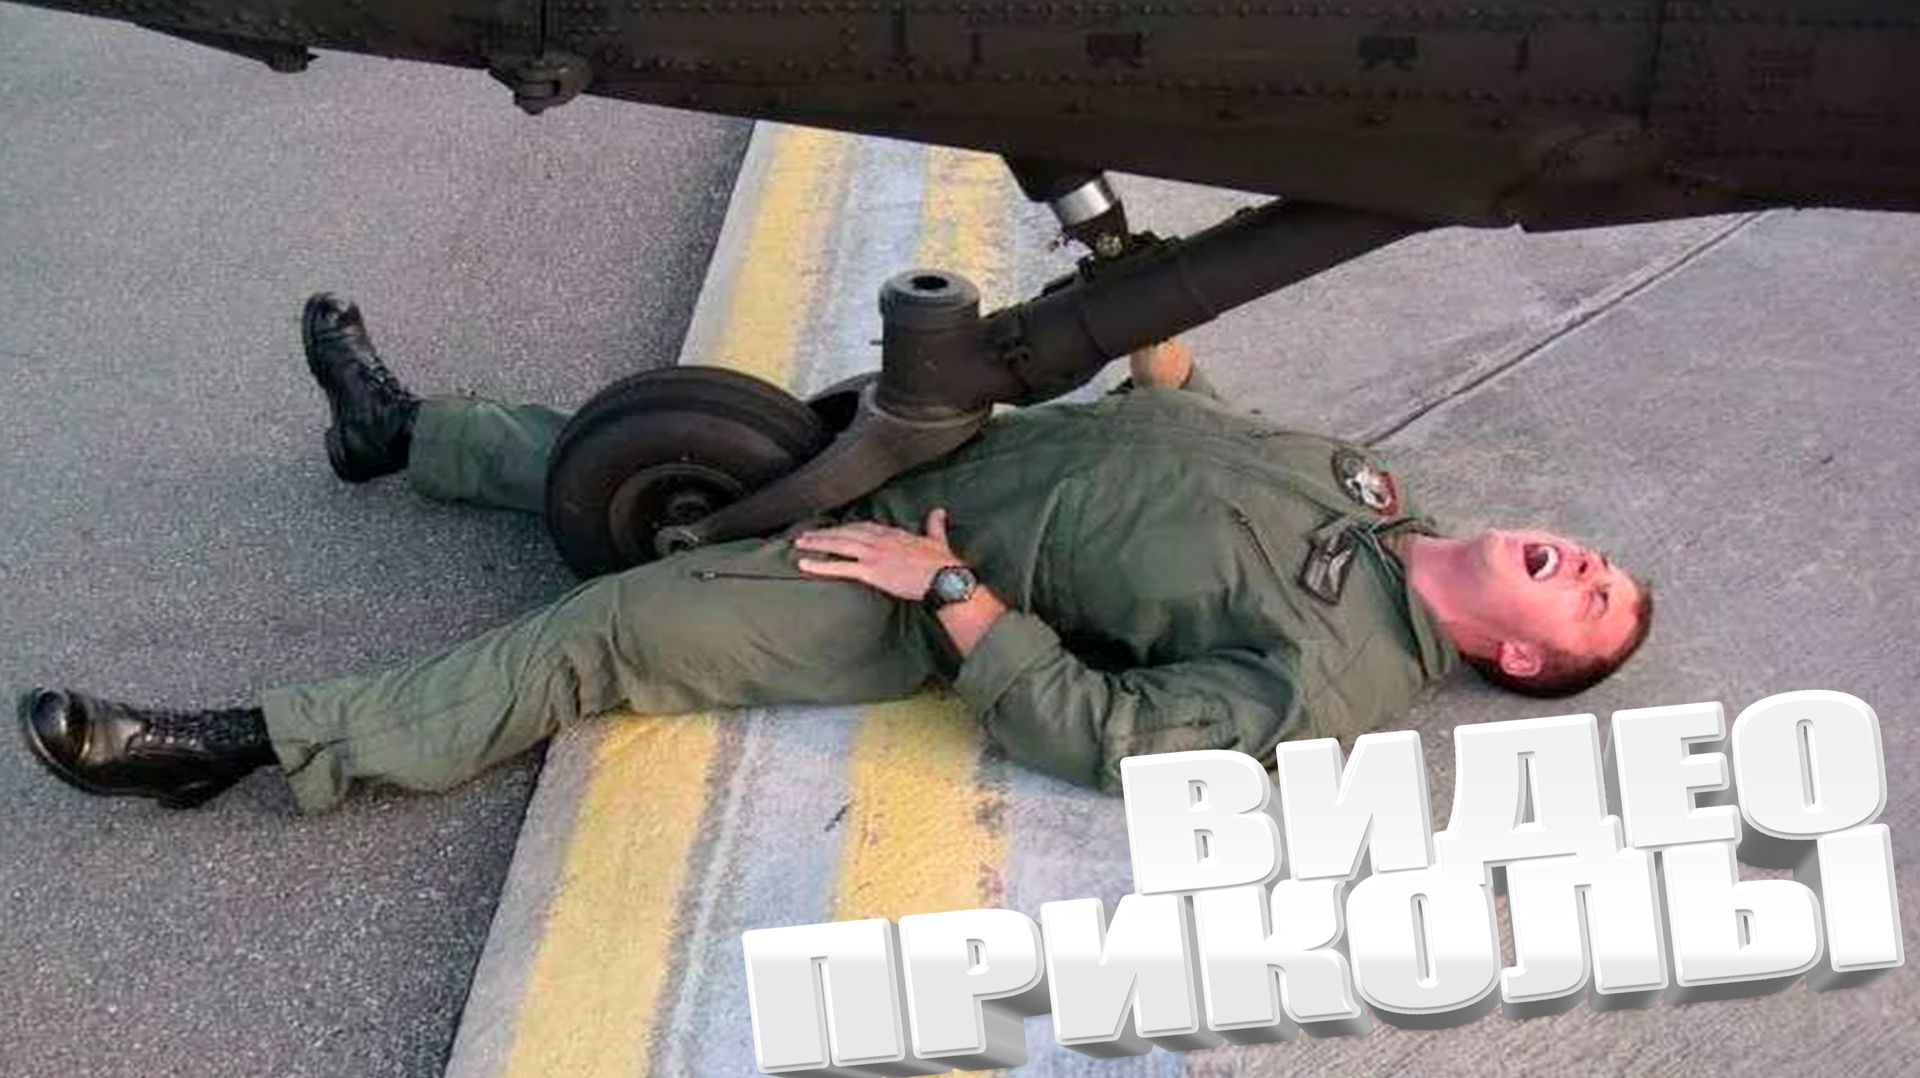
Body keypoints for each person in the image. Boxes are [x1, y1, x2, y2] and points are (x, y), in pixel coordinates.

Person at [17, 295, 1654, 812]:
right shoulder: (1374, 491)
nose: (1577, 560)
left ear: (1518, 657)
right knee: (651, 452)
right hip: (949, 449)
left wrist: (948, 595)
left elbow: (1112, 735)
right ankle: (404, 436)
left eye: (1587, 599)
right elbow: (1195, 424)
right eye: (1593, 557)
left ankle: (247, 743)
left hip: (910, 587)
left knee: (609, 626)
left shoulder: (1335, 684)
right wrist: (1151, 312)